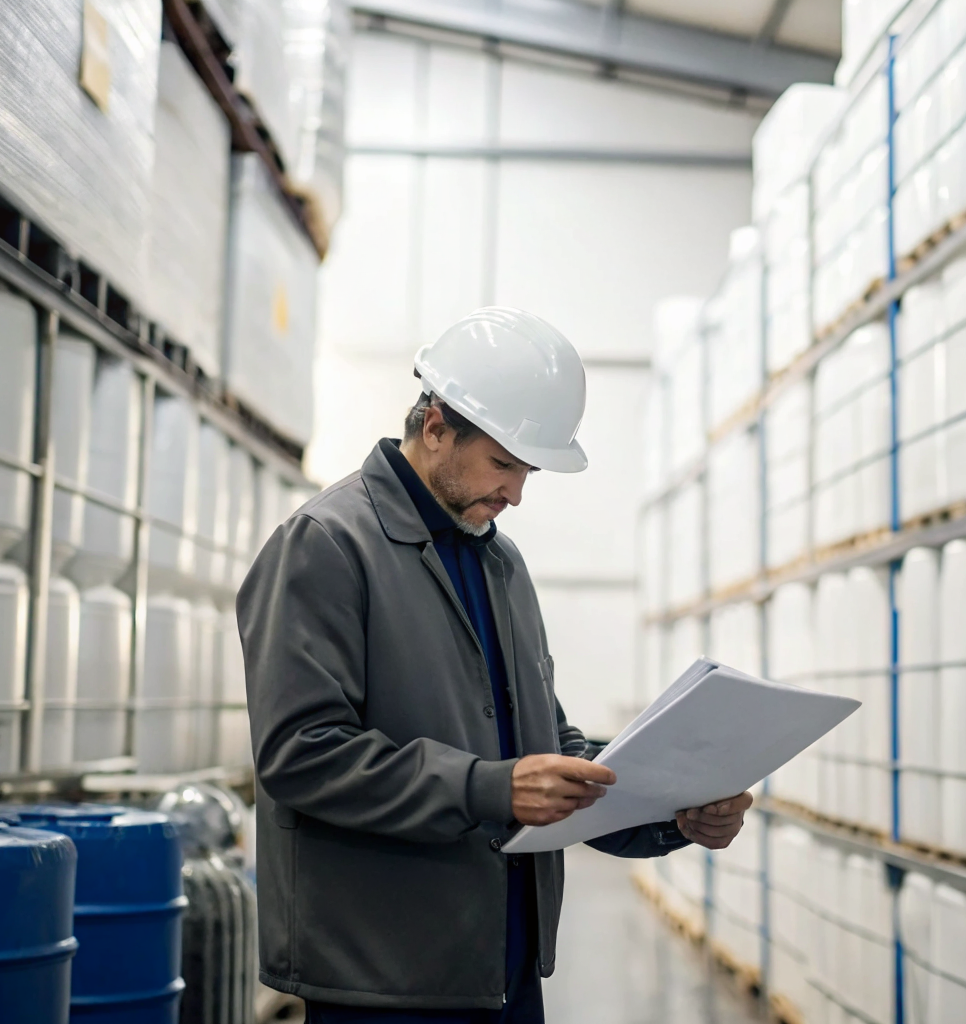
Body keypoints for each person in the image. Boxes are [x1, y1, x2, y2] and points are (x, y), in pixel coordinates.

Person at [238, 307, 753, 1023]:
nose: (515, 493)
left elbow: (548, 750)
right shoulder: (327, 545)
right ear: (436, 424)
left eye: (527, 471)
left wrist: (675, 812)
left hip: (502, 967)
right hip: (385, 978)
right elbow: (300, 755)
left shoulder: (498, 560)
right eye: (504, 464)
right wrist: (490, 788)